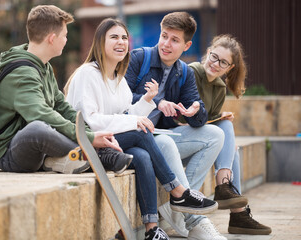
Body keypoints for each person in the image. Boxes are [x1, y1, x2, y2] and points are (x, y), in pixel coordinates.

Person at [65, 18, 218, 240]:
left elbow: (129, 113)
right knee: (142, 131)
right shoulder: (87, 73)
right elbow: (90, 120)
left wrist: (147, 100)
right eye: (114, 37)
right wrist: (134, 122)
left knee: (143, 156)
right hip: (87, 143)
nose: (121, 42)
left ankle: (152, 228)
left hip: (112, 142)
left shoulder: (118, 78)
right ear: (100, 42)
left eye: (124, 38)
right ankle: (177, 191)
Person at [0, 5, 132, 175]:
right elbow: (40, 114)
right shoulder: (22, 73)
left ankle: (65, 159)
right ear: (52, 38)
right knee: (38, 127)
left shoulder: (43, 67)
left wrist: (88, 132)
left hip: (42, 150)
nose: (66, 40)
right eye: (65, 35)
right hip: (12, 154)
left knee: (56, 122)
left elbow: (62, 108)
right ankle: (100, 156)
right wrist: (90, 139)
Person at [125, 12, 227, 240]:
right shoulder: (139, 59)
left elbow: (198, 112)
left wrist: (195, 111)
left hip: (160, 135)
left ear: (186, 45)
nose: (166, 44)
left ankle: (179, 206)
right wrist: (157, 102)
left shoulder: (183, 72)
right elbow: (119, 98)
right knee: (167, 144)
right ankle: (195, 221)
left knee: (216, 135)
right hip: (135, 136)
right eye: (164, 36)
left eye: (174, 40)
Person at [185, 34, 271, 235]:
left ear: (230, 68)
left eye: (223, 62)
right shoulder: (191, 73)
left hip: (199, 142)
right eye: (214, 57)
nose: (215, 64)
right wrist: (216, 120)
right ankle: (231, 200)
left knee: (232, 147)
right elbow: (184, 118)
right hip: (178, 139)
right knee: (224, 128)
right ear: (208, 53)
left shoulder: (219, 88)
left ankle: (236, 209)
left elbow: (205, 125)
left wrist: (217, 118)